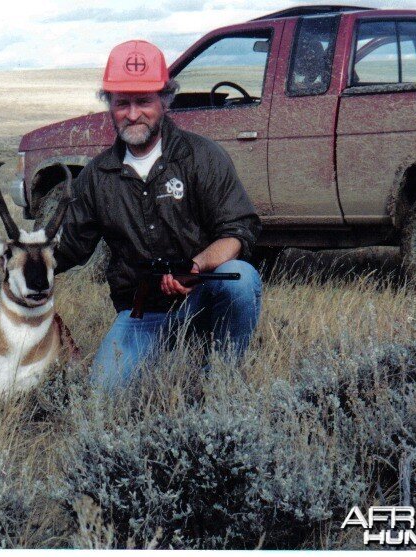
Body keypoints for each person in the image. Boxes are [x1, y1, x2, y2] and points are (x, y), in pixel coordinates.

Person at [53, 40, 262, 392]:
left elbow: (238, 232)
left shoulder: (202, 156)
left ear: (164, 101)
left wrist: (194, 267)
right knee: (102, 399)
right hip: (142, 313)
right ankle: (159, 351)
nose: (133, 114)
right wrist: (23, 259)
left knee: (240, 278)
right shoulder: (96, 176)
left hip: (202, 297)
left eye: (144, 101)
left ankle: (221, 380)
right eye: (122, 103)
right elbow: (69, 248)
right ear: (110, 106)